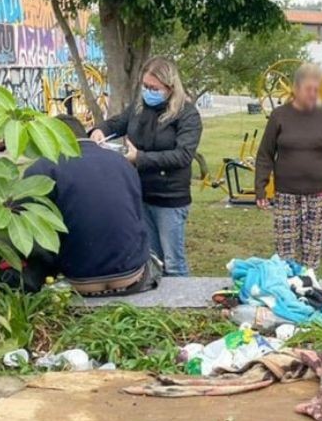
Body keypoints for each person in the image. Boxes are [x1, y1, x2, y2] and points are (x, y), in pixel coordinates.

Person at [92, 56, 202, 277]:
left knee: (173, 262)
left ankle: (181, 306)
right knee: (152, 259)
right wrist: (99, 130)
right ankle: (158, 305)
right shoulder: (139, 107)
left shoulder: (187, 115)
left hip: (170, 199)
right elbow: (117, 123)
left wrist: (139, 158)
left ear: (170, 88)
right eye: (145, 86)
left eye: (154, 88)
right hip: (141, 193)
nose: (148, 91)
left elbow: (182, 156)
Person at [24, 116, 158, 296]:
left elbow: (29, 230)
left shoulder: (41, 169)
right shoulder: (121, 162)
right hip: (132, 278)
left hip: (79, 282)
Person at [254, 62, 322, 270]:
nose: (313, 94)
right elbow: (265, 155)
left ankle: (308, 290)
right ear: (296, 89)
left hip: (318, 195)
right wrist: (260, 188)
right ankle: (286, 290)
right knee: (285, 253)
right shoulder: (279, 116)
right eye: (308, 89)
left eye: (317, 89)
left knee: (312, 252)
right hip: (286, 195)